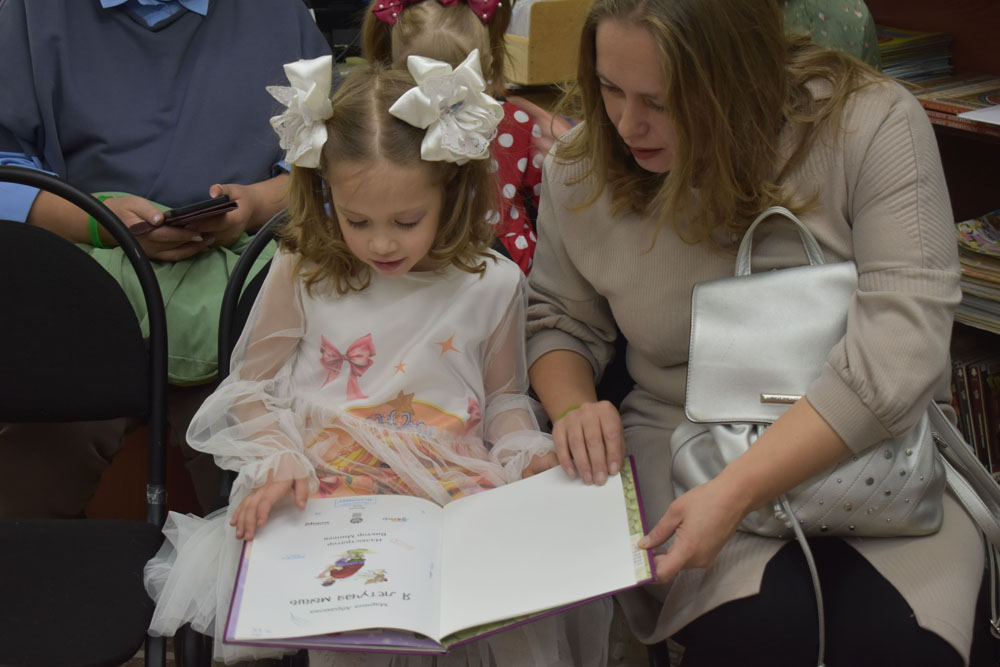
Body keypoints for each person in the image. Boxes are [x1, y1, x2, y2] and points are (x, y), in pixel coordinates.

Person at [524, 0, 984, 665]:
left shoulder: (868, 124)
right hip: (685, 445)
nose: (626, 124)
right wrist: (573, 406)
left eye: (660, 100)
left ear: (740, 78)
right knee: (762, 634)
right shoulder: (582, 165)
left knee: (898, 642)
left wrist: (739, 489)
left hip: (884, 453)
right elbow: (558, 320)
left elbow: (899, 353)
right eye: (609, 88)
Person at [144, 53, 610, 666]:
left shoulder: (492, 283)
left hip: (453, 488)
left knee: (489, 608)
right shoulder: (304, 270)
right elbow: (251, 388)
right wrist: (279, 456)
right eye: (357, 220)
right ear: (323, 192)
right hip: (325, 485)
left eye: (407, 220)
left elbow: (502, 400)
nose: (382, 242)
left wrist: (526, 452)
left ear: (452, 192)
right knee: (351, 617)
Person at [0, 0, 334, 517]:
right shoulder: (28, 13)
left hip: (244, 302)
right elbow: (7, 171)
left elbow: (330, 163)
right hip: (79, 295)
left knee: (259, 484)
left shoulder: (277, 13)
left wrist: (253, 205)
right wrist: (97, 221)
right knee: (33, 479)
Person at [361, 0, 544, 274]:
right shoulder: (518, 122)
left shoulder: (385, 128)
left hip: (430, 260)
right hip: (483, 260)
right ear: (488, 65)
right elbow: (546, 203)